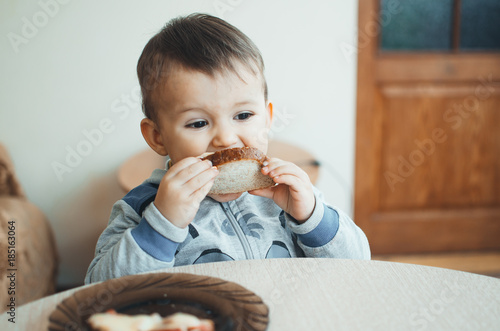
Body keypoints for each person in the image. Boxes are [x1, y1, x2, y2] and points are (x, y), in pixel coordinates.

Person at [85, 13, 370, 284]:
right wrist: (162, 223)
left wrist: (312, 216)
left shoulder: (288, 196)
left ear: (267, 118)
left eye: (243, 116)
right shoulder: (143, 207)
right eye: (198, 123)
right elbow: (98, 291)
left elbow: (357, 265)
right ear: (157, 136)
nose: (225, 138)